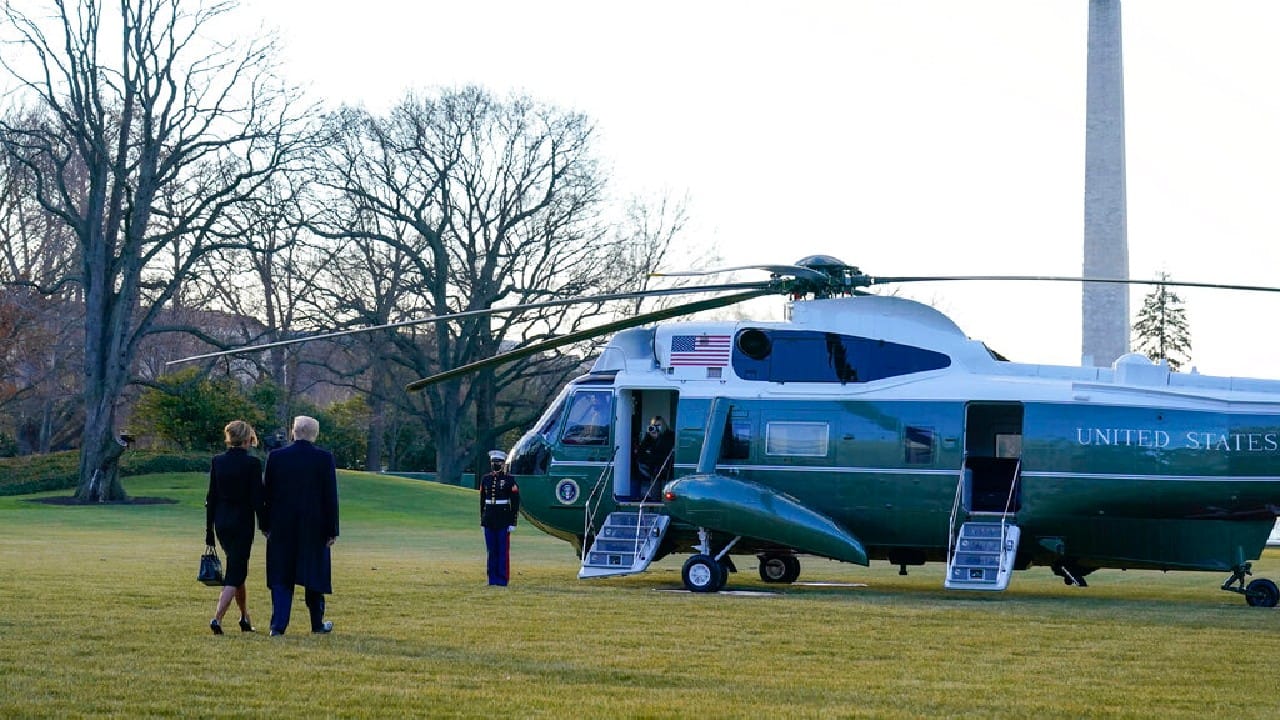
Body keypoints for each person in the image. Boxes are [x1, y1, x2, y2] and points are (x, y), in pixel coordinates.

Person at [260, 415, 339, 636]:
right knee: (314, 574)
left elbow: (266, 494)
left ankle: (278, 626)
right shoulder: (324, 458)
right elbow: (330, 497)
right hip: (315, 526)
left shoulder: (276, 457)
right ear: (315, 434)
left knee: (281, 575)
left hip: (281, 525)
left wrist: (265, 524)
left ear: (293, 431)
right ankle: (317, 623)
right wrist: (332, 530)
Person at [204, 420, 264, 635]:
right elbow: (257, 499)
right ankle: (217, 618)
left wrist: (209, 531)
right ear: (247, 438)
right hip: (242, 523)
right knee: (236, 572)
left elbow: (211, 497)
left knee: (237, 569)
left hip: (222, 522)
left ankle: (245, 618)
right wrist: (265, 525)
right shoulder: (252, 464)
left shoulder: (218, 461)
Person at [480, 450, 520, 586]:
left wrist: (513, 521)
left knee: (502, 550)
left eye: (498, 462)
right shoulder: (486, 479)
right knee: (491, 550)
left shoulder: (509, 480)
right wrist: (482, 520)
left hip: (503, 519)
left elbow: (515, 502)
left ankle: (502, 579)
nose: (495, 465)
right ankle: (492, 579)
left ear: (503, 464)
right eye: (493, 462)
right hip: (489, 518)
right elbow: (482, 501)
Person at [635, 415, 675, 499]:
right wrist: (648, 436)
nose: (656, 428)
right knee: (655, 495)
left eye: (658, 426)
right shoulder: (650, 438)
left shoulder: (669, 436)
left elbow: (664, 451)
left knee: (664, 495)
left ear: (663, 426)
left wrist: (658, 438)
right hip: (654, 470)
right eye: (654, 426)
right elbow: (641, 452)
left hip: (666, 470)